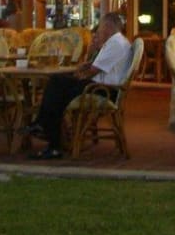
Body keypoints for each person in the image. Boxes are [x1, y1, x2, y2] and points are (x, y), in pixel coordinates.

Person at [22, 12, 131, 160]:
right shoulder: (116, 43)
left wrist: (80, 72)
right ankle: (48, 133)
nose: (98, 32)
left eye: (99, 28)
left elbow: (91, 72)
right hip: (99, 87)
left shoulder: (115, 43)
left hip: (103, 90)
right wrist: (91, 54)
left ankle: (47, 132)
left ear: (107, 27)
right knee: (57, 88)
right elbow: (90, 67)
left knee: (56, 85)